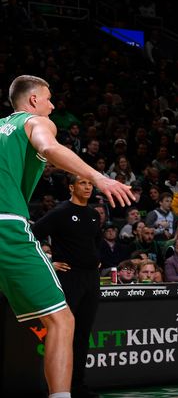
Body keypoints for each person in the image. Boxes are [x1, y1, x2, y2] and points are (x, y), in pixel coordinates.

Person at [0, 75, 133, 397]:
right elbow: (49, 147)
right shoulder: (34, 121)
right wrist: (98, 177)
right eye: (49, 99)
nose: (53, 105)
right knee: (62, 322)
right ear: (33, 100)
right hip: (6, 226)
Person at [32, 175, 102, 398]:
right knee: (63, 334)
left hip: (91, 279)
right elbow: (31, 236)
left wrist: (96, 259)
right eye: (83, 183)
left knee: (83, 334)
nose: (88, 187)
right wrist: (50, 261)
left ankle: (77, 386)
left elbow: (95, 242)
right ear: (72, 187)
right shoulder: (60, 212)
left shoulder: (93, 214)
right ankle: (53, 388)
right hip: (69, 277)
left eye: (90, 183)